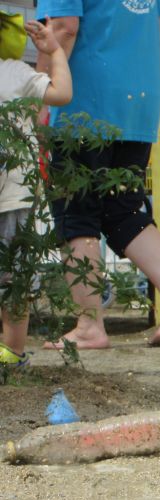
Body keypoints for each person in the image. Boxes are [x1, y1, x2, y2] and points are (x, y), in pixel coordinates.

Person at [33, 1, 160, 349]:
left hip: (81, 106)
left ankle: (89, 326)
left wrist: (38, 100)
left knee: (76, 212)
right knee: (124, 207)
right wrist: (149, 95)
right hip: (138, 103)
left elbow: (63, 28)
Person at [0, 17, 72, 367]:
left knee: (16, 276)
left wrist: (55, 50)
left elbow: (62, 93)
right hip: (17, 194)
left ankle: (12, 352)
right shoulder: (14, 71)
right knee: (15, 275)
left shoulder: (14, 72)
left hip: (17, 196)